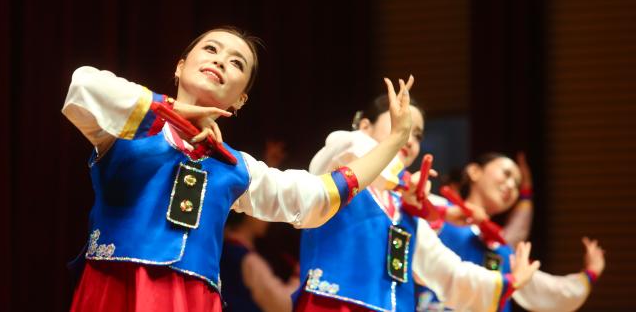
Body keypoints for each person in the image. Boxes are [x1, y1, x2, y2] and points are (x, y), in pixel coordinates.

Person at [62, 26, 415, 312]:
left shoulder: (237, 168)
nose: (220, 62)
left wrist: (395, 140)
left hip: (194, 302)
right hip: (116, 288)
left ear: (240, 99)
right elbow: (82, 85)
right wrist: (171, 110)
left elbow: (317, 197)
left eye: (237, 63)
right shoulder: (123, 126)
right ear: (180, 66)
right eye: (211, 49)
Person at [296, 96, 540, 312]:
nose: (408, 138)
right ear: (365, 126)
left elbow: (447, 272)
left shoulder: (405, 209)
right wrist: (412, 190)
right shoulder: (341, 160)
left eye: (417, 134)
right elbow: (356, 147)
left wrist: (509, 282)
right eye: (399, 125)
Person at [416, 153, 606, 311]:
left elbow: (547, 291)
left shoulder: (502, 248)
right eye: (506, 174)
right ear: (474, 171)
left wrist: (590, 274)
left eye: (516, 185)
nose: (510, 186)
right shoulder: (434, 211)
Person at [220, 211, 299, 312]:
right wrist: (298, 276)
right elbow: (282, 305)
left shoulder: (222, 246)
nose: (269, 218)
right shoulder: (249, 261)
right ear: (248, 213)